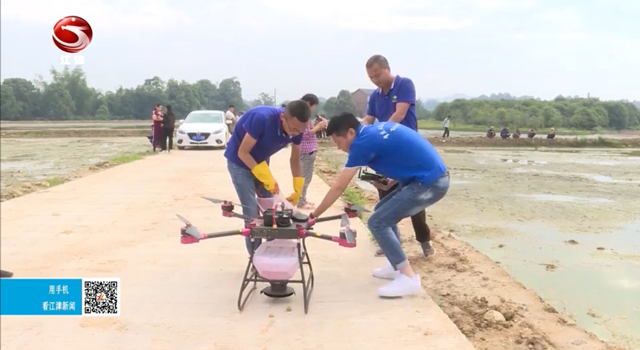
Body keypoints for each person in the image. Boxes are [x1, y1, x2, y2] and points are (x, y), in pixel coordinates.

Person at [310, 113, 449, 297]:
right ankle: (395, 265)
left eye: (337, 141)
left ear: (350, 132)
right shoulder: (372, 131)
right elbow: (397, 154)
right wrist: (388, 179)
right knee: (381, 212)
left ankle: (408, 278)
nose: (338, 147)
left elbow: (338, 187)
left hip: (430, 183)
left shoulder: (360, 144)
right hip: (424, 177)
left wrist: (314, 215)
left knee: (377, 221)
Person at [362, 54, 435, 258]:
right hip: (386, 152)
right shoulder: (375, 96)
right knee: (385, 197)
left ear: (387, 69)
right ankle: (390, 243)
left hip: (407, 151)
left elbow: (399, 115)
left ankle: (424, 241)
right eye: (370, 77)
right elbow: (368, 118)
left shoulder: (404, 84)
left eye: (377, 75)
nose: (374, 80)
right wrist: (359, 132)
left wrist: (380, 134)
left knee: (414, 199)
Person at [223, 100, 311, 254]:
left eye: (299, 131)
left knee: (274, 209)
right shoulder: (262, 118)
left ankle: (273, 250)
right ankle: (256, 257)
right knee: (251, 213)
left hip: (261, 161)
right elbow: (243, 153)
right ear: (283, 117)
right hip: (240, 162)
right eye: (293, 129)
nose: (295, 133)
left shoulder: (298, 129)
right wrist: (266, 177)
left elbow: (295, 159)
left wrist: (298, 187)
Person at [298, 94, 327, 209]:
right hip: (307, 151)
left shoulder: (302, 115)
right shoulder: (303, 116)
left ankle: (302, 199)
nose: (313, 108)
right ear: (309, 103)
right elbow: (305, 134)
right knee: (305, 178)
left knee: (304, 177)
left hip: (306, 151)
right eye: (313, 106)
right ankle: (301, 201)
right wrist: (318, 126)